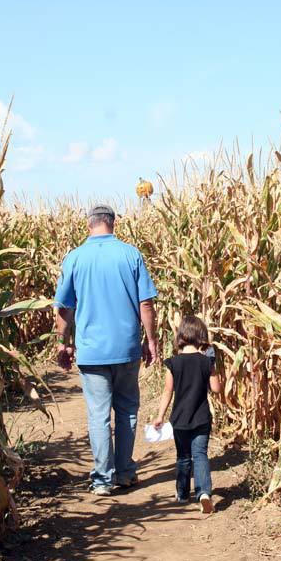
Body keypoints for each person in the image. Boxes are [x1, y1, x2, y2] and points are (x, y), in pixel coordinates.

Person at [53, 204, 158, 496]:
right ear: (112, 223)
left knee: (99, 414)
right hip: (126, 349)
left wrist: (63, 342)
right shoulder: (130, 254)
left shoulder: (74, 258)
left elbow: (64, 307)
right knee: (126, 410)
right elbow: (146, 303)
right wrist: (150, 340)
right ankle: (124, 473)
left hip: (91, 351)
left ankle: (102, 480)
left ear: (90, 225)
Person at [154, 315, 221, 513]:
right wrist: (215, 367)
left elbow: (167, 391)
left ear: (181, 336)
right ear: (202, 336)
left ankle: (182, 494)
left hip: (180, 420)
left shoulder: (173, 363)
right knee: (200, 455)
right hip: (201, 418)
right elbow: (216, 389)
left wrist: (160, 416)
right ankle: (204, 493)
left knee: (183, 456)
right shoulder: (206, 362)